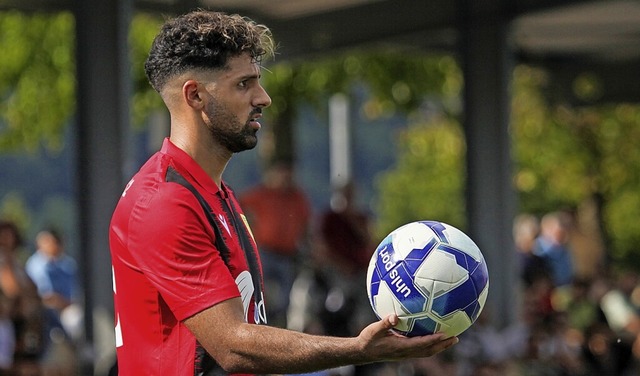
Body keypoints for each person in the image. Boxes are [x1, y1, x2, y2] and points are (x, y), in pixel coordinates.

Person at [108, 10, 458, 376]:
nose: (264, 98)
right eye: (243, 84)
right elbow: (233, 347)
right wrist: (357, 349)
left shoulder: (212, 193)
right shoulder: (165, 203)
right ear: (195, 95)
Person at [239, 158, 311, 327]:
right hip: (265, 252)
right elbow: (238, 204)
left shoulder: (296, 197)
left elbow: (306, 223)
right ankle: (259, 322)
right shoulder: (262, 194)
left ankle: (278, 324)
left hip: (287, 254)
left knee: (286, 296)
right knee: (260, 290)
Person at [0, 220, 44, 375]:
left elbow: (33, 287)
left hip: (23, 322)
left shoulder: (16, 261)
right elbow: (12, 289)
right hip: (9, 322)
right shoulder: (4, 261)